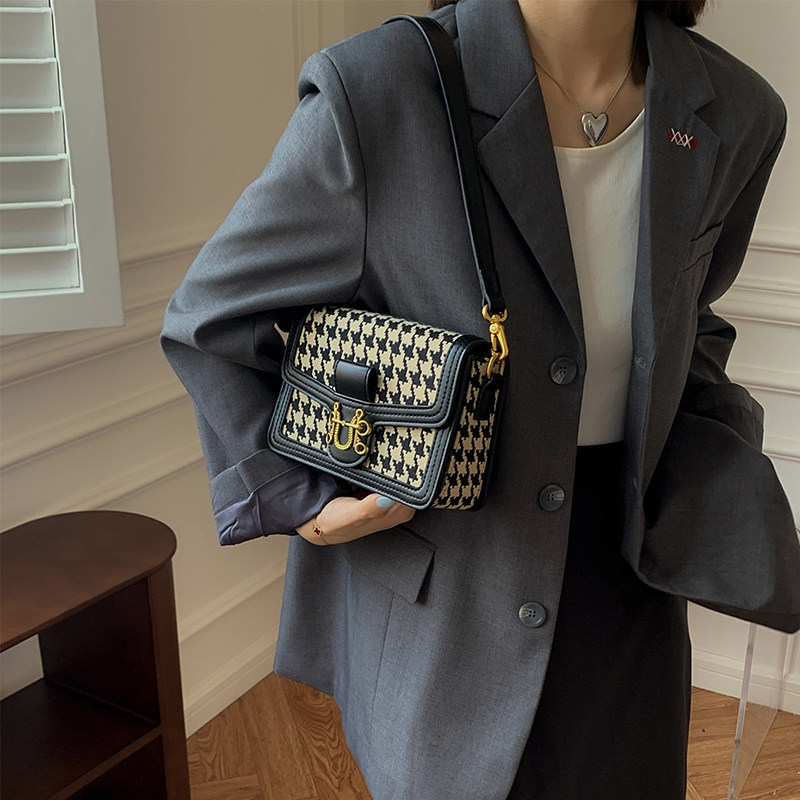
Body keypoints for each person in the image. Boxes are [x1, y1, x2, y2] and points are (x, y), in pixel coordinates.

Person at [161, 1, 800, 797]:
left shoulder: (737, 113)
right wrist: (301, 496)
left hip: (631, 579)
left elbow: (694, 318)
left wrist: (722, 465)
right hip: (447, 579)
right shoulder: (382, 89)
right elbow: (209, 320)